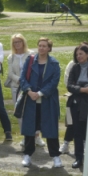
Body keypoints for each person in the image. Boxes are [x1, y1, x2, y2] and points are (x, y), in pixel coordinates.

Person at [19, 38, 62, 168]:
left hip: (47, 101)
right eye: (40, 45)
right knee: (29, 128)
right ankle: (27, 155)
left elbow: (54, 82)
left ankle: (56, 156)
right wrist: (29, 91)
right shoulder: (30, 60)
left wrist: (40, 93)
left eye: (44, 46)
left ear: (49, 48)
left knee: (51, 129)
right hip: (31, 100)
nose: (41, 48)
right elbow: (22, 78)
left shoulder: (54, 63)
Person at [6, 34, 41, 146]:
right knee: (20, 112)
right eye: (15, 42)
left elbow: (35, 70)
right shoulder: (11, 57)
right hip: (16, 87)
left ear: (23, 42)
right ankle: (26, 136)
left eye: (19, 41)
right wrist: (22, 81)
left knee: (33, 112)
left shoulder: (31, 54)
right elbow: (10, 73)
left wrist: (27, 83)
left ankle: (36, 136)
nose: (17, 44)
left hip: (31, 87)